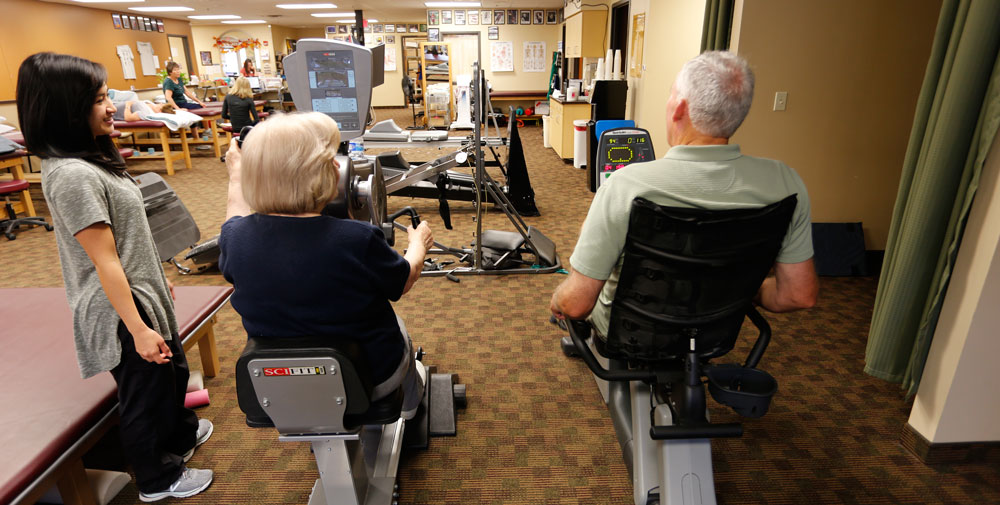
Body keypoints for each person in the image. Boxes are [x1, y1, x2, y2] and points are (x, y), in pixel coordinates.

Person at [16, 52, 213, 502]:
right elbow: (104, 261)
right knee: (144, 391)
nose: (113, 108)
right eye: (101, 99)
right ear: (67, 109)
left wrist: (157, 287)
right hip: (116, 307)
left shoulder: (92, 157)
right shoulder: (72, 176)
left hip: (140, 289)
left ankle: (180, 438)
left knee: (172, 373)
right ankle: (156, 478)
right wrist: (139, 328)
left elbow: (128, 239)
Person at [550, 51, 818, 334]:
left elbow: (575, 305)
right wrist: (738, 288)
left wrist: (558, 301)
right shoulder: (785, 182)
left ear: (678, 108)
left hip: (627, 333)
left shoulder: (625, 185)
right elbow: (797, 295)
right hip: (714, 328)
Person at [218, 111, 433, 420]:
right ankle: (411, 406)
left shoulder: (235, 238)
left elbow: (234, 215)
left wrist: (237, 175)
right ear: (312, 176)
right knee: (399, 327)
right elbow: (404, 279)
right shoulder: (356, 239)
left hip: (277, 383)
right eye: (329, 160)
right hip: (371, 380)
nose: (337, 165)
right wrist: (417, 243)